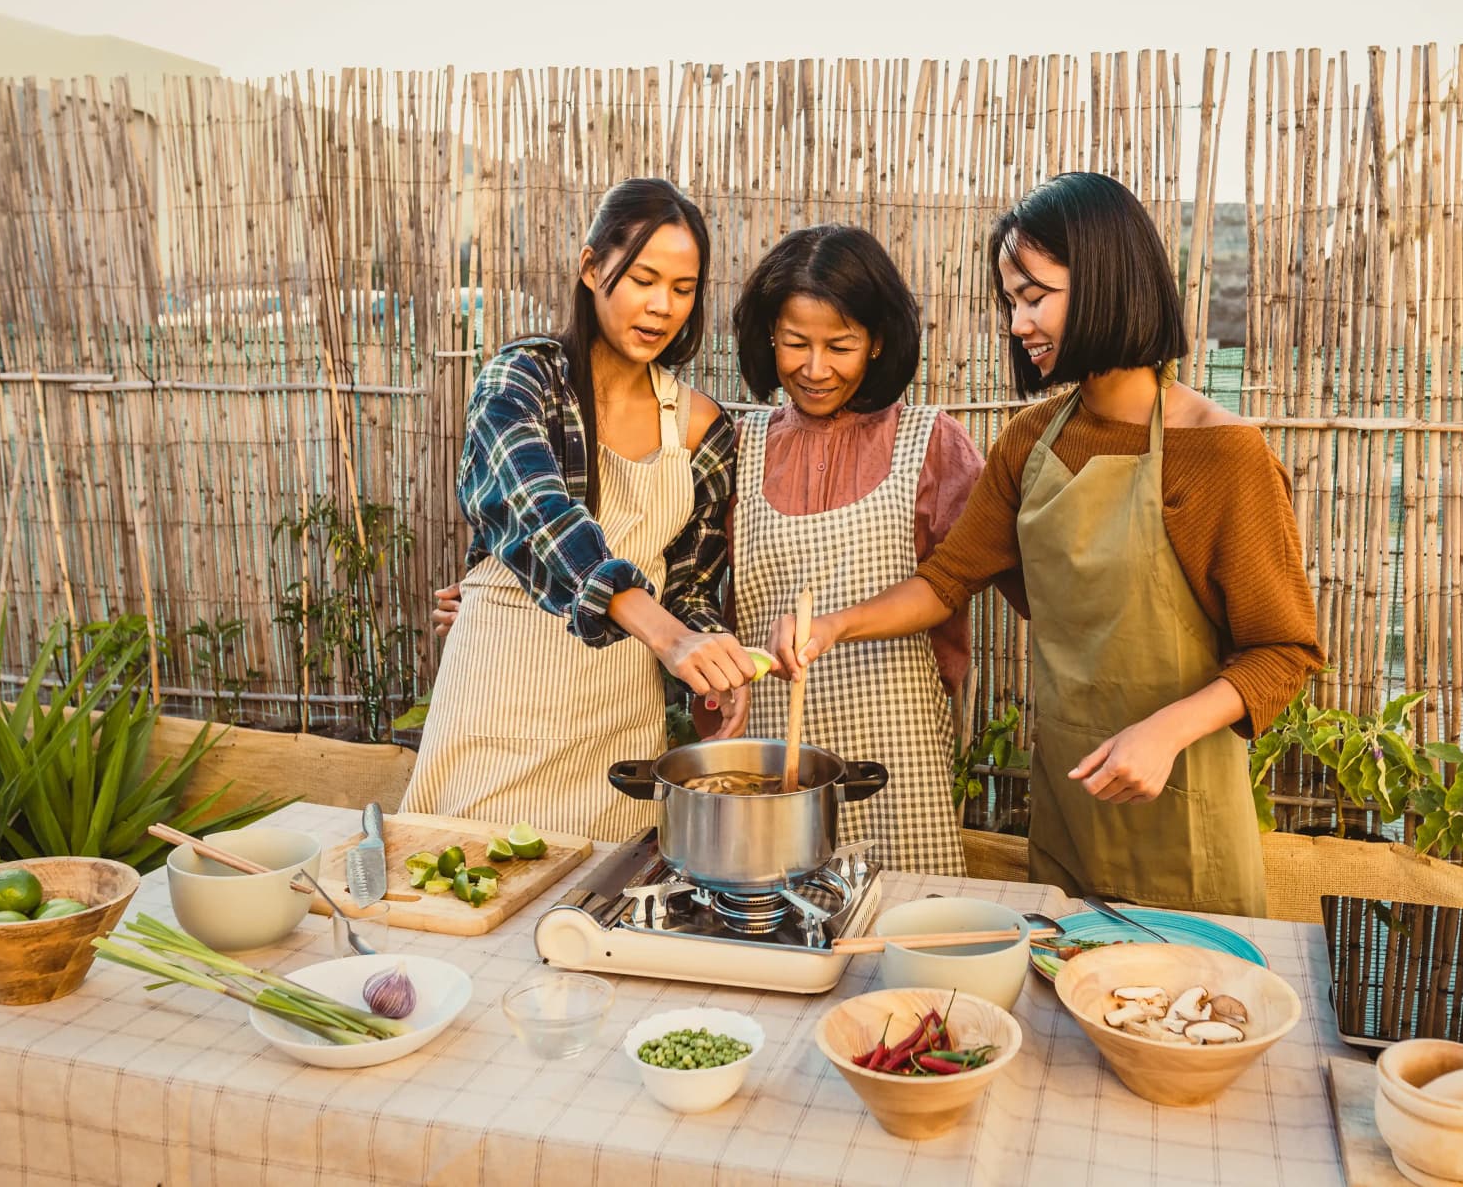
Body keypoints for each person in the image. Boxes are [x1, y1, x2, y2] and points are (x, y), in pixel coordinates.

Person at [770, 173, 1325, 914]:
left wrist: (1163, 732)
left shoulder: (1223, 454)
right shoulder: (1030, 441)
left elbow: (1283, 652)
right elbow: (947, 580)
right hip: (1067, 802)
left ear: (1103, 279)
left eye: (1034, 296)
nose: (1017, 323)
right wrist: (833, 626)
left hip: (1183, 810)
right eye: (1010, 302)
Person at [401, 177, 755, 840]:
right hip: (495, 708)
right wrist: (668, 635)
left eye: (683, 289)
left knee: (599, 919)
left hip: (615, 725)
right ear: (592, 268)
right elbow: (535, 511)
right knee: (455, 891)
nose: (662, 307)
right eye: (644, 279)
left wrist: (706, 662)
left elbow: (692, 590)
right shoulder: (522, 380)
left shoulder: (705, 429)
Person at [720, 224, 984, 874]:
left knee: (903, 944)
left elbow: (971, 575)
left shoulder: (933, 444)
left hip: (895, 760)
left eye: (840, 345)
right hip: (770, 756)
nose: (814, 369)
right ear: (768, 336)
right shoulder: (736, 449)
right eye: (795, 343)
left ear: (878, 342)